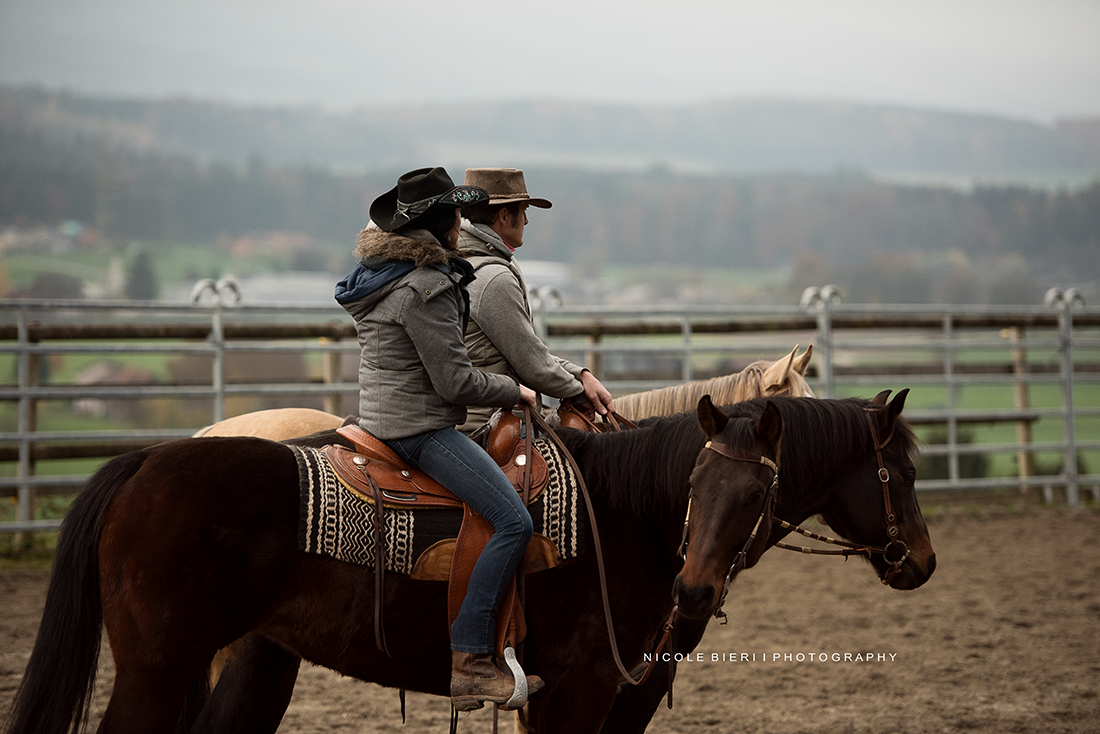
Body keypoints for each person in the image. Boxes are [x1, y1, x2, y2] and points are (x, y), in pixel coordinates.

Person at [334, 167, 543, 712]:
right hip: (418, 430)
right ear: (441, 222)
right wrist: (514, 389)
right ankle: (473, 659)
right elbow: (456, 382)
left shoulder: (378, 274)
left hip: (376, 421)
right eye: (455, 214)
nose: (461, 223)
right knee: (513, 521)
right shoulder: (426, 286)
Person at [456, 168, 614, 433]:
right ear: (504, 216)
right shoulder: (493, 277)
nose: (527, 221)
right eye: (523, 211)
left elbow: (527, 351)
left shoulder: (473, 261)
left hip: (490, 412)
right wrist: (580, 391)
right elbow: (532, 364)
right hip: (493, 422)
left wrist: (581, 374)